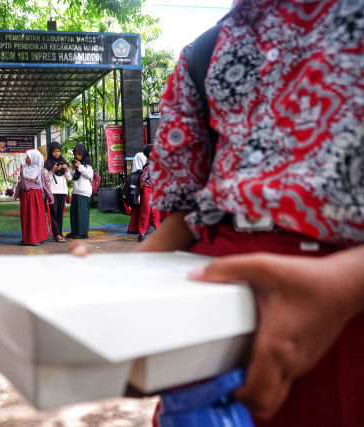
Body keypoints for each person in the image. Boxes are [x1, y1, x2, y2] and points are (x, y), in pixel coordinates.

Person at [74, 1, 364, 425]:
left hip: (344, 310)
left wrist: (344, 284)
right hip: (213, 304)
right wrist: (126, 291)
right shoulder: (204, 50)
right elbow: (186, 213)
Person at [14, 149, 53, 246]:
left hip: (35, 197)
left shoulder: (40, 171)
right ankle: (27, 239)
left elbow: (45, 184)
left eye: (28, 157)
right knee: (26, 218)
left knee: (36, 217)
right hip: (25, 197)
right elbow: (20, 182)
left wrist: (50, 196)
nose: (26, 158)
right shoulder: (24, 169)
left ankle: (37, 239)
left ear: (34, 159)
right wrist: (17, 193)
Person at [43, 141, 71, 242]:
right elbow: (46, 179)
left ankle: (59, 233)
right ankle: (56, 234)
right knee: (53, 213)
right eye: (55, 151)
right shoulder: (48, 164)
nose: (57, 153)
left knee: (60, 214)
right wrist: (53, 170)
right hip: (52, 192)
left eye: (59, 151)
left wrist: (66, 169)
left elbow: (69, 179)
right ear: (51, 152)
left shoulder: (63, 162)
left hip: (62, 192)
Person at [127, 151, 156, 242]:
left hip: (155, 190)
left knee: (155, 212)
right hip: (147, 189)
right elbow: (142, 182)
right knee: (145, 211)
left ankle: (159, 231)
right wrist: (142, 192)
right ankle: (141, 234)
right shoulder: (147, 167)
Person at [66, 144, 93, 240]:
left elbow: (90, 175)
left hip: (84, 191)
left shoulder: (87, 162)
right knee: (74, 213)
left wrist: (80, 166)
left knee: (82, 213)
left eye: (79, 154)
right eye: (75, 154)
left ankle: (83, 233)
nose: (77, 156)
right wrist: (73, 169)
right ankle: (75, 232)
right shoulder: (76, 163)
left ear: (83, 153)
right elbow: (73, 177)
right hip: (76, 190)